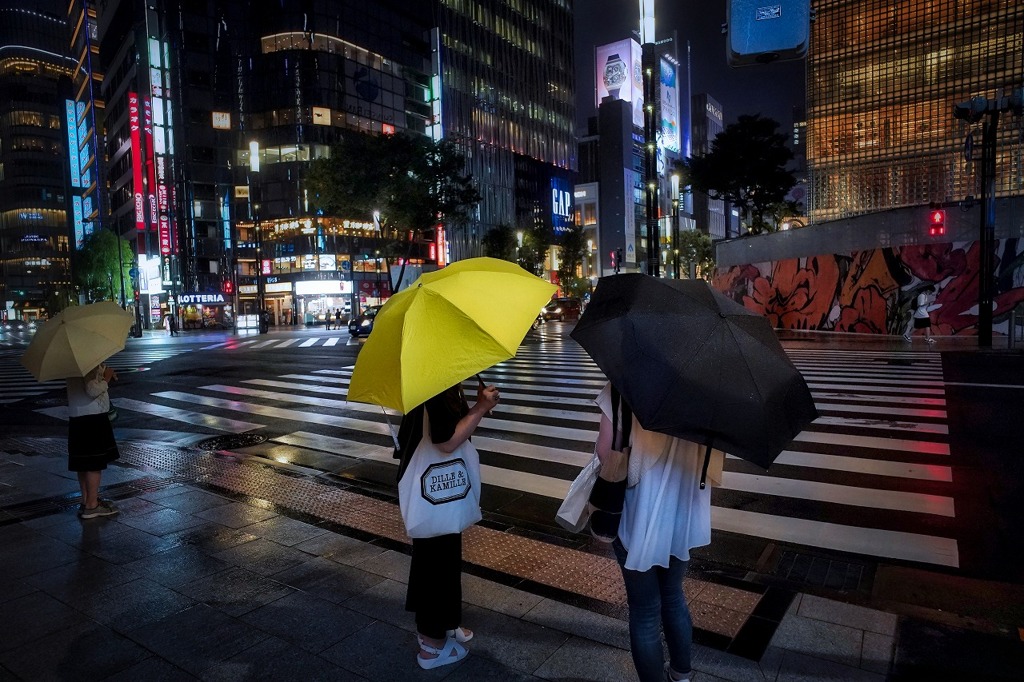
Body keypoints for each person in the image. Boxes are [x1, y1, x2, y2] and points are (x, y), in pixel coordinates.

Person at [595, 382, 711, 682]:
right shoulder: (706, 390)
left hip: (638, 512)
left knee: (645, 610)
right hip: (682, 512)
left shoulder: (624, 384)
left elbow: (605, 452)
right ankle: (681, 676)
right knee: (673, 596)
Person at [394, 380, 499, 670]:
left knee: (445, 555)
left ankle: (446, 622)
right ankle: (431, 644)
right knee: (435, 561)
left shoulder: (438, 377)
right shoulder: (435, 382)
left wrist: (473, 407)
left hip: (437, 486)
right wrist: (480, 408)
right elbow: (446, 441)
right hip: (435, 485)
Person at [67, 363, 121, 519]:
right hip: (92, 417)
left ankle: (86, 501)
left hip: (78, 416)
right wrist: (107, 379)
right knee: (94, 462)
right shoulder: (87, 361)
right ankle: (92, 506)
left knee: (83, 463)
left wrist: (102, 374)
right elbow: (92, 390)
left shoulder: (73, 361)